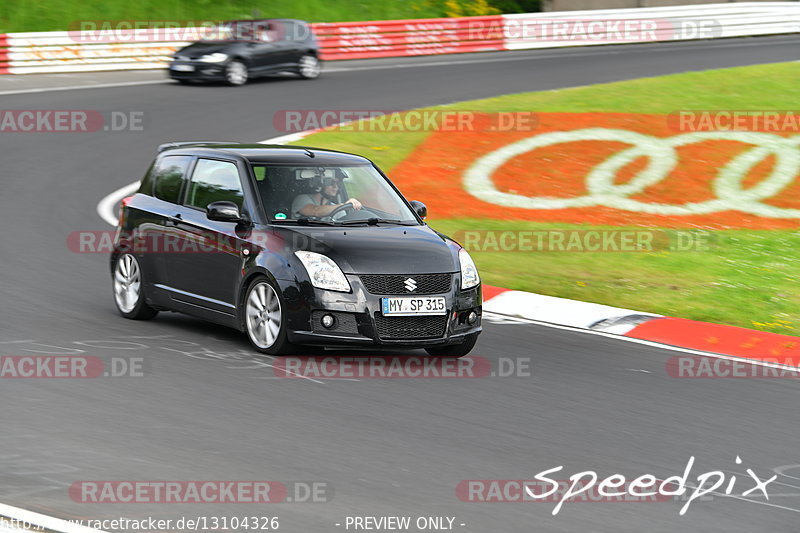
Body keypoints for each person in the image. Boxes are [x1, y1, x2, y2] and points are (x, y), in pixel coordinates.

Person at [291, 177, 362, 219]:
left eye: (337, 183)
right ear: (319, 184)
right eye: (331, 183)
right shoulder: (301, 199)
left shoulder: (336, 208)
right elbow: (316, 211)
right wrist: (343, 205)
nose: (335, 186)